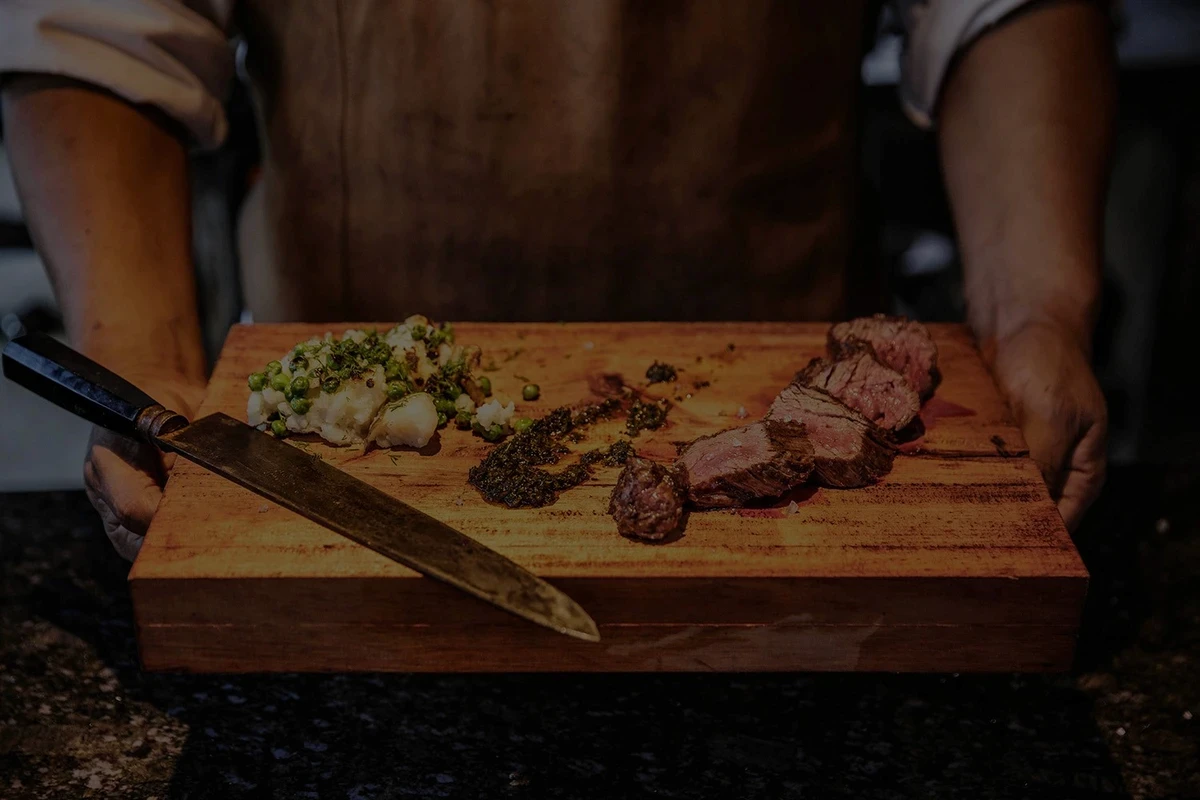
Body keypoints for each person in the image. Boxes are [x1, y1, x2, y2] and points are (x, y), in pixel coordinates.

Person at [1, 0, 1113, 560]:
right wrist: (131, 352)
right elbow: (102, 26)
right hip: (337, 360)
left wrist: (1035, 312)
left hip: (774, 315)